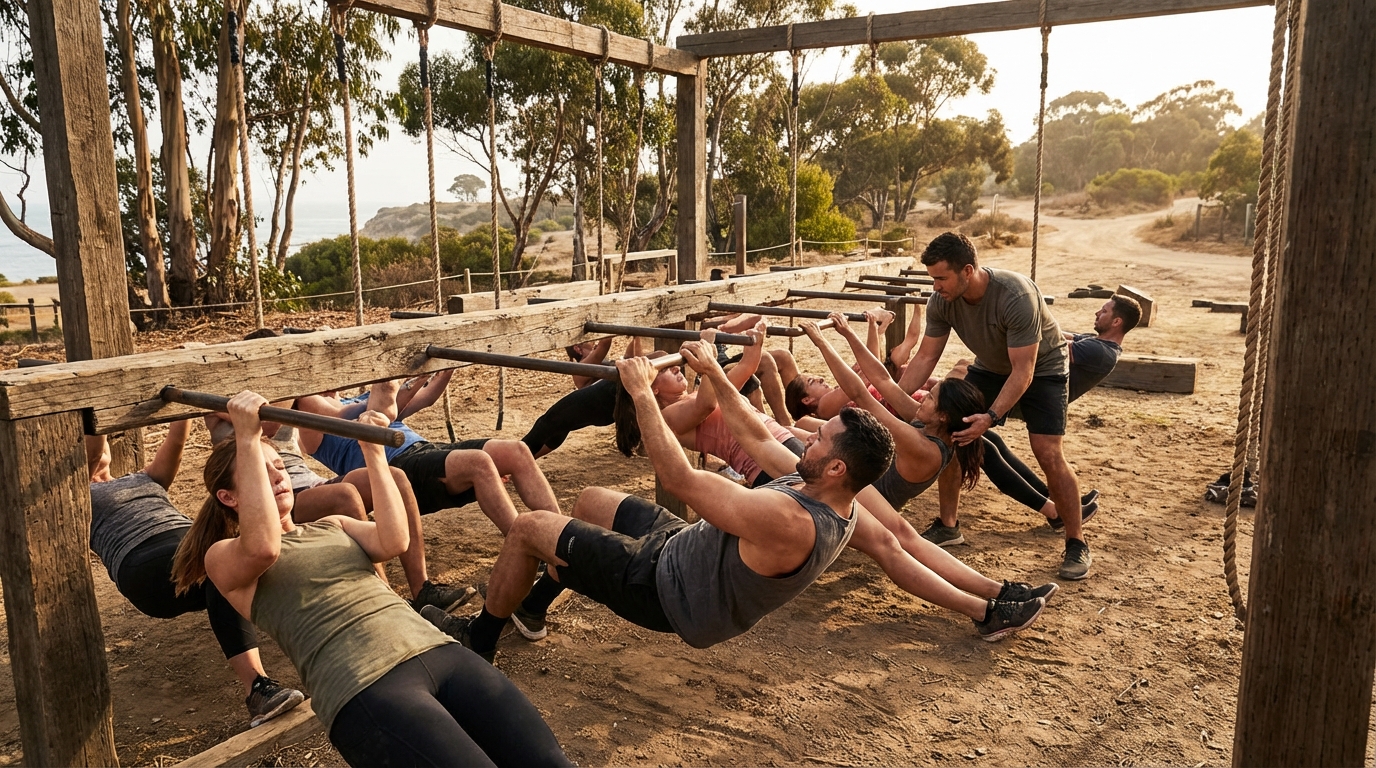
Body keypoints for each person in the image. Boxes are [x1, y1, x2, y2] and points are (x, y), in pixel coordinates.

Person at [173, 393, 571, 767]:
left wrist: (374, 455)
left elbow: (393, 539)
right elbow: (264, 548)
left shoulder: (333, 524)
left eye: (278, 466)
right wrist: (246, 436)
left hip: (438, 650)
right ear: (230, 498)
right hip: (365, 687)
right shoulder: (224, 556)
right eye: (260, 473)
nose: (278, 477)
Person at [424, 354, 897, 661]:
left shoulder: (792, 520)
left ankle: (479, 639)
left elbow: (678, 478)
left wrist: (641, 393)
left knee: (529, 528)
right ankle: (531, 608)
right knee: (591, 502)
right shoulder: (830, 489)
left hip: (666, 591)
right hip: (683, 548)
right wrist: (714, 372)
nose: (808, 435)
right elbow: (752, 433)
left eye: (820, 440)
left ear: (838, 468)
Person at [686, 340, 1054, 641]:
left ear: (942, 415)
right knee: (896, 541)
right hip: (836, 473)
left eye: (931, 396)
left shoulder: (921, 439)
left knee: (894, 544)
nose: (924, 394)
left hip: (844, 481)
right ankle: (996, 597)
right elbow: (880, 380)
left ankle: (989, 605)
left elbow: (862, 393)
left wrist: (820, 340)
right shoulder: (933, 430)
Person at [86, 420, 305, 728]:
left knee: (242, 566)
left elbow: (177, 437)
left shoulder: (145, 477)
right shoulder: (75, 495)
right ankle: (257, 689)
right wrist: (94, 408)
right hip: (142, 563)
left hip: (190, 547)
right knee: (221, 564)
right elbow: (92, 447)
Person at [898, 232, 1091, 580]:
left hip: (1043, 369)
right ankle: (948, 525)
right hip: (989, 366)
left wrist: (989, 417)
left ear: (967, 271)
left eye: (941, 278)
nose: (935, 286)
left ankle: (1075, 540)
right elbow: (925, 357)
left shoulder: (1014, 295)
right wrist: (892, 402)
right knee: (950, 432)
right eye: (932, 278)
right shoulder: (941, 301)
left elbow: (1024, 371)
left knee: (1046, 450)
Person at [296, 379, 562, 535]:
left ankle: (559, 533)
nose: (328, 386)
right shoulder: (308, 418)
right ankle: (527, 544)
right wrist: (397, 381)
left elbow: (427, 397)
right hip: (395, 469)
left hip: (425, 450)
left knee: (515, 450)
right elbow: (371, 410)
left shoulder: (358, 396)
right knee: (479, 462)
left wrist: (442, 371)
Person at [977, 294, 1141, 528]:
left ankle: (1057, 510)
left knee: (981, 438)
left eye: (1104, 311)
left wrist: (1020, 322)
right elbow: (1059, 333)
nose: (1097, 313)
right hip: (1035, 397)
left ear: (1117, 322)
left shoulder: (1100, 351)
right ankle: (1060, 502)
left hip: (1034, 400)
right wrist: (1032, 319)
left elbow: (1055, 343)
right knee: (989, 440)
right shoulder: (1098, 343)